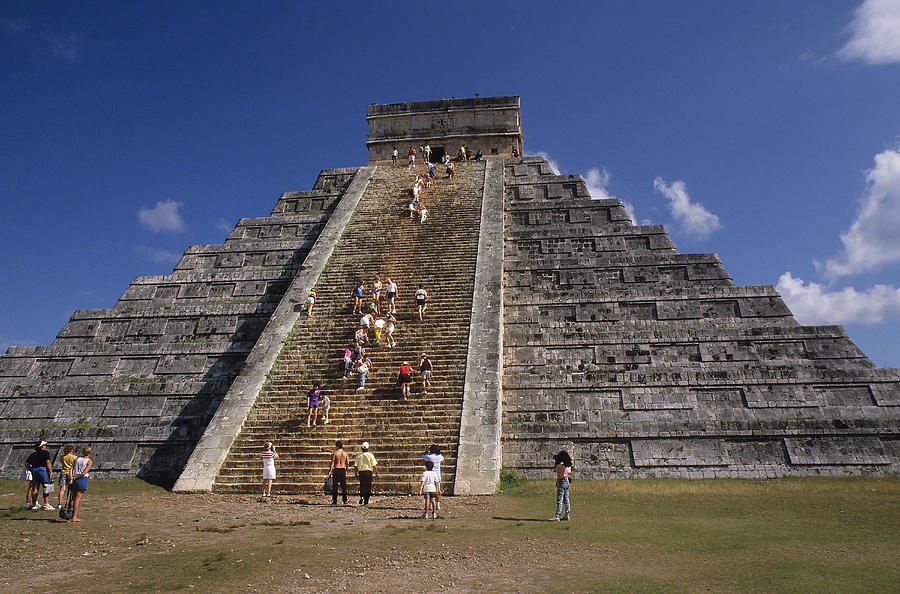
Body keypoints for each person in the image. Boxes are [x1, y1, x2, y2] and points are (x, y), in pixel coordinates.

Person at [25, 440, 53, 510]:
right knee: (45, 486)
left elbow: (26, 463)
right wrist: (50, 471)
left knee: (35, 487)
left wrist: (31, 469)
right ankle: (46, 504)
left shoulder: (33, 454)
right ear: (42, 446)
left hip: (35, 470)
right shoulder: (45, 453)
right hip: (42, 470)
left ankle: (34, 504)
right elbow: (48, 462)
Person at [68, 446, 92, 522]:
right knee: (77, 499)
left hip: (74, 478)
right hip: (81, 479)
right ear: (90, 453)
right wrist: (77, 477)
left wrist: (72, 478)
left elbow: (71, 469)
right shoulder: (89, 461)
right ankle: (74, 516)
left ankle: (69, 514)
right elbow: (84, 472)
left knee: (72, 498)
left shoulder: (77, 459)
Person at [549, 451, 573, 521]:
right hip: (566, 481)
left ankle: (557, 515)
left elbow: (555, 470)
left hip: (561, 481)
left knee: (559, 499)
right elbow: (569, 472)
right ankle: (567, 514)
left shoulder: (559, 466)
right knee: (566, 499)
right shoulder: (568, 465)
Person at [423, 444, 444, 511]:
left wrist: (426, 451)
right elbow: (442, 457)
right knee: (437, 490)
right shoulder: (439, 457)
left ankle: (430, 505)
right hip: (437, 476)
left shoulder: (428, 457)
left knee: (429, 491)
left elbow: (423, 456)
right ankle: (438, 504)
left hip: (430, 476)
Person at [329, 441, 350, 505]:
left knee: (335, 486)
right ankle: (345, 500)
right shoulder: (345, 453)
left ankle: (334, 501)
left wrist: (330, 471)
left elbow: (332, 462)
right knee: (343, 486)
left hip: (337, 469)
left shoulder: (335, 453)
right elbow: (347, 463)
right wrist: (346, 469)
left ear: (337, 446)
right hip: (343, 469)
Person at [57, 444, 77, 509]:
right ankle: (70, 502)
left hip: (63, 472)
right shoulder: (74, 457)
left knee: (62, 489)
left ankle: (59, 503)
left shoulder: (63, 457)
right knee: (71, 489)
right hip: (71, 473)